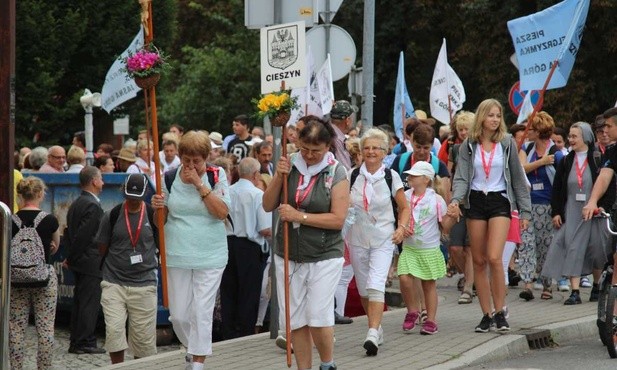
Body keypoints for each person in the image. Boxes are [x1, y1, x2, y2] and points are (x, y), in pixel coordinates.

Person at [263, 116, 349, 370]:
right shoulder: (288, 164)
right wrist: (279, 177)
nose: (309, 156)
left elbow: (338, 219)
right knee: (295, 319)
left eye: (316, 151)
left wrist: (299, 216)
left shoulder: (336, 171)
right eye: (304, 149)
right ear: (297, 144)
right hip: (287, 252)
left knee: (318, 316)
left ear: (327, 147)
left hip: (324, 254)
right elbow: (268, 204)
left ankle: (327, 363)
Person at [449, 98, 531, 333]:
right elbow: (462, 177)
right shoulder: (468, 145)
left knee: (495, 258)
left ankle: (501, 310)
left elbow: (517, 177)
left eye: (498, 115)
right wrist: (456, 200)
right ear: (481, 117)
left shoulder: (506, 142)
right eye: (491, 115)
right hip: (475, 200)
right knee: (479, 260)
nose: (495, 120)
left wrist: (524, 210)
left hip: (500, 201)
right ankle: (486, 314)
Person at [151, 130, 231, 370]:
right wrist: (157, 208)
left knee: (201, 310)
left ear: (206, 157)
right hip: (177, 253)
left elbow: (222, 213)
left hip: (211, 253)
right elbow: (160, 223)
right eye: (186, 160)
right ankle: (191, 347)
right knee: (179, 316)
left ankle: (198, 362)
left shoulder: (217, 175)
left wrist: (199, 184)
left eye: (196, 160)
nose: (191, 165)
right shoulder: (168, 178)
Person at [347, 128, 410, 355]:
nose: (371, 152)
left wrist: (402, 228)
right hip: (357, 238)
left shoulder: (391, 176)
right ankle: (376, 327)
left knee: (375, 285)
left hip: (384, 238)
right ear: (361, 151)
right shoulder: (352, 175)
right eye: (367, 148)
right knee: (364, 289)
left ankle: (372, 333)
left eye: (376, 148)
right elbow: (342, 204)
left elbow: (404, 207)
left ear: (384, 152)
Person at [544, 122, 614, 305]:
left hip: (594, 212)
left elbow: (609, 186)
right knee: (572, 247)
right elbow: (557, 188)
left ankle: (597, 285)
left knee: (596, 249)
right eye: (570, 136)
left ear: (586, 138)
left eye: (575, 136)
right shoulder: (566, 161)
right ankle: (574, 291)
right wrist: (557, 212)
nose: (571, 140)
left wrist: (603, 207)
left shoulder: (598, 157)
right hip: (572, 211)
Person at [95, 174, 159, 364]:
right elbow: (102, 247)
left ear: (144, 194)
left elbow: (163, 242)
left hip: (145, 283)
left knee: (144, 340)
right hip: (114, 282)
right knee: (114, 332)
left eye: (136, 198)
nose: (133, 201)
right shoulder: (112, 215)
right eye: (129, 196)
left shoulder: (153, 214)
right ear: (123, 192)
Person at [399, 161, 455, 335]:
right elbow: (401, 213)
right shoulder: (406, 196)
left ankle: (431, 320)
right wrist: (402, 226)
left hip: (429, 248)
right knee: (404, 278)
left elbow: (444, 226)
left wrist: (452, 217)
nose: (409, 178)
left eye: (414, 176)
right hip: (409, 248)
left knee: (428, 285)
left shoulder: (436, 200)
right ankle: (412, 311)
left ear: (425, 179)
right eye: (409, 175)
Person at [10, 177, 60, 370]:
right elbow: (54, 247)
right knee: (46, 328)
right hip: (43, 279)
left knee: (16, 328)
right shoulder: (49, 220)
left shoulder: (10, 220)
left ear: (20, 195)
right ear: (40, 194)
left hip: (16, 280)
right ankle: (44, 367)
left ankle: (16, 367)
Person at [221, 158, 271, 339]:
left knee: (228, 290)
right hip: (249, 246)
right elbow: (264, 228)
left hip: (227, 244)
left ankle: (228, 331)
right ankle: (245, 332)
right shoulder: (257, 194)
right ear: (256, 175)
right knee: (249, 292)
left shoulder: (227, 190)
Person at [517, 111, 564, 300]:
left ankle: (547, 285)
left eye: (531, 128)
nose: (527, 131)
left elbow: (561, 183)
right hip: (528, 205)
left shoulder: (556, 153)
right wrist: (541, 162)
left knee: (546, 246)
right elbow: (520, 170)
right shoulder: (526, 150)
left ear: (539, 131)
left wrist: (559, 210)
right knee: (527, 245)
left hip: (548, 206)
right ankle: (527, 285)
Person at [65, 166, 106, 354]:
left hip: (81, 261)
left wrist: (71, 257)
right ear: (94, 181)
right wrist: (72, 257)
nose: (103, 182)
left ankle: (78, 340)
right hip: (89, 261)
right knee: (88, 303)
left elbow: (69, 233)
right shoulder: (92, 205)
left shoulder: (77, 203)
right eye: (101, 178)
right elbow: (85, 236)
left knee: (81, 301)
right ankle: (85, 341)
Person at [583, 107, 617, 289]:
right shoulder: (611, 151)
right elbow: (604, 176)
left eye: (609, 127)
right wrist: (592, 201)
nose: (605, 131)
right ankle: (615, 313)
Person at [329, 100, 356, 171]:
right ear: (347, 120)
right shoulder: (336, 139)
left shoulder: (328, 133)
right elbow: (345, 170)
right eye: (352, 118)